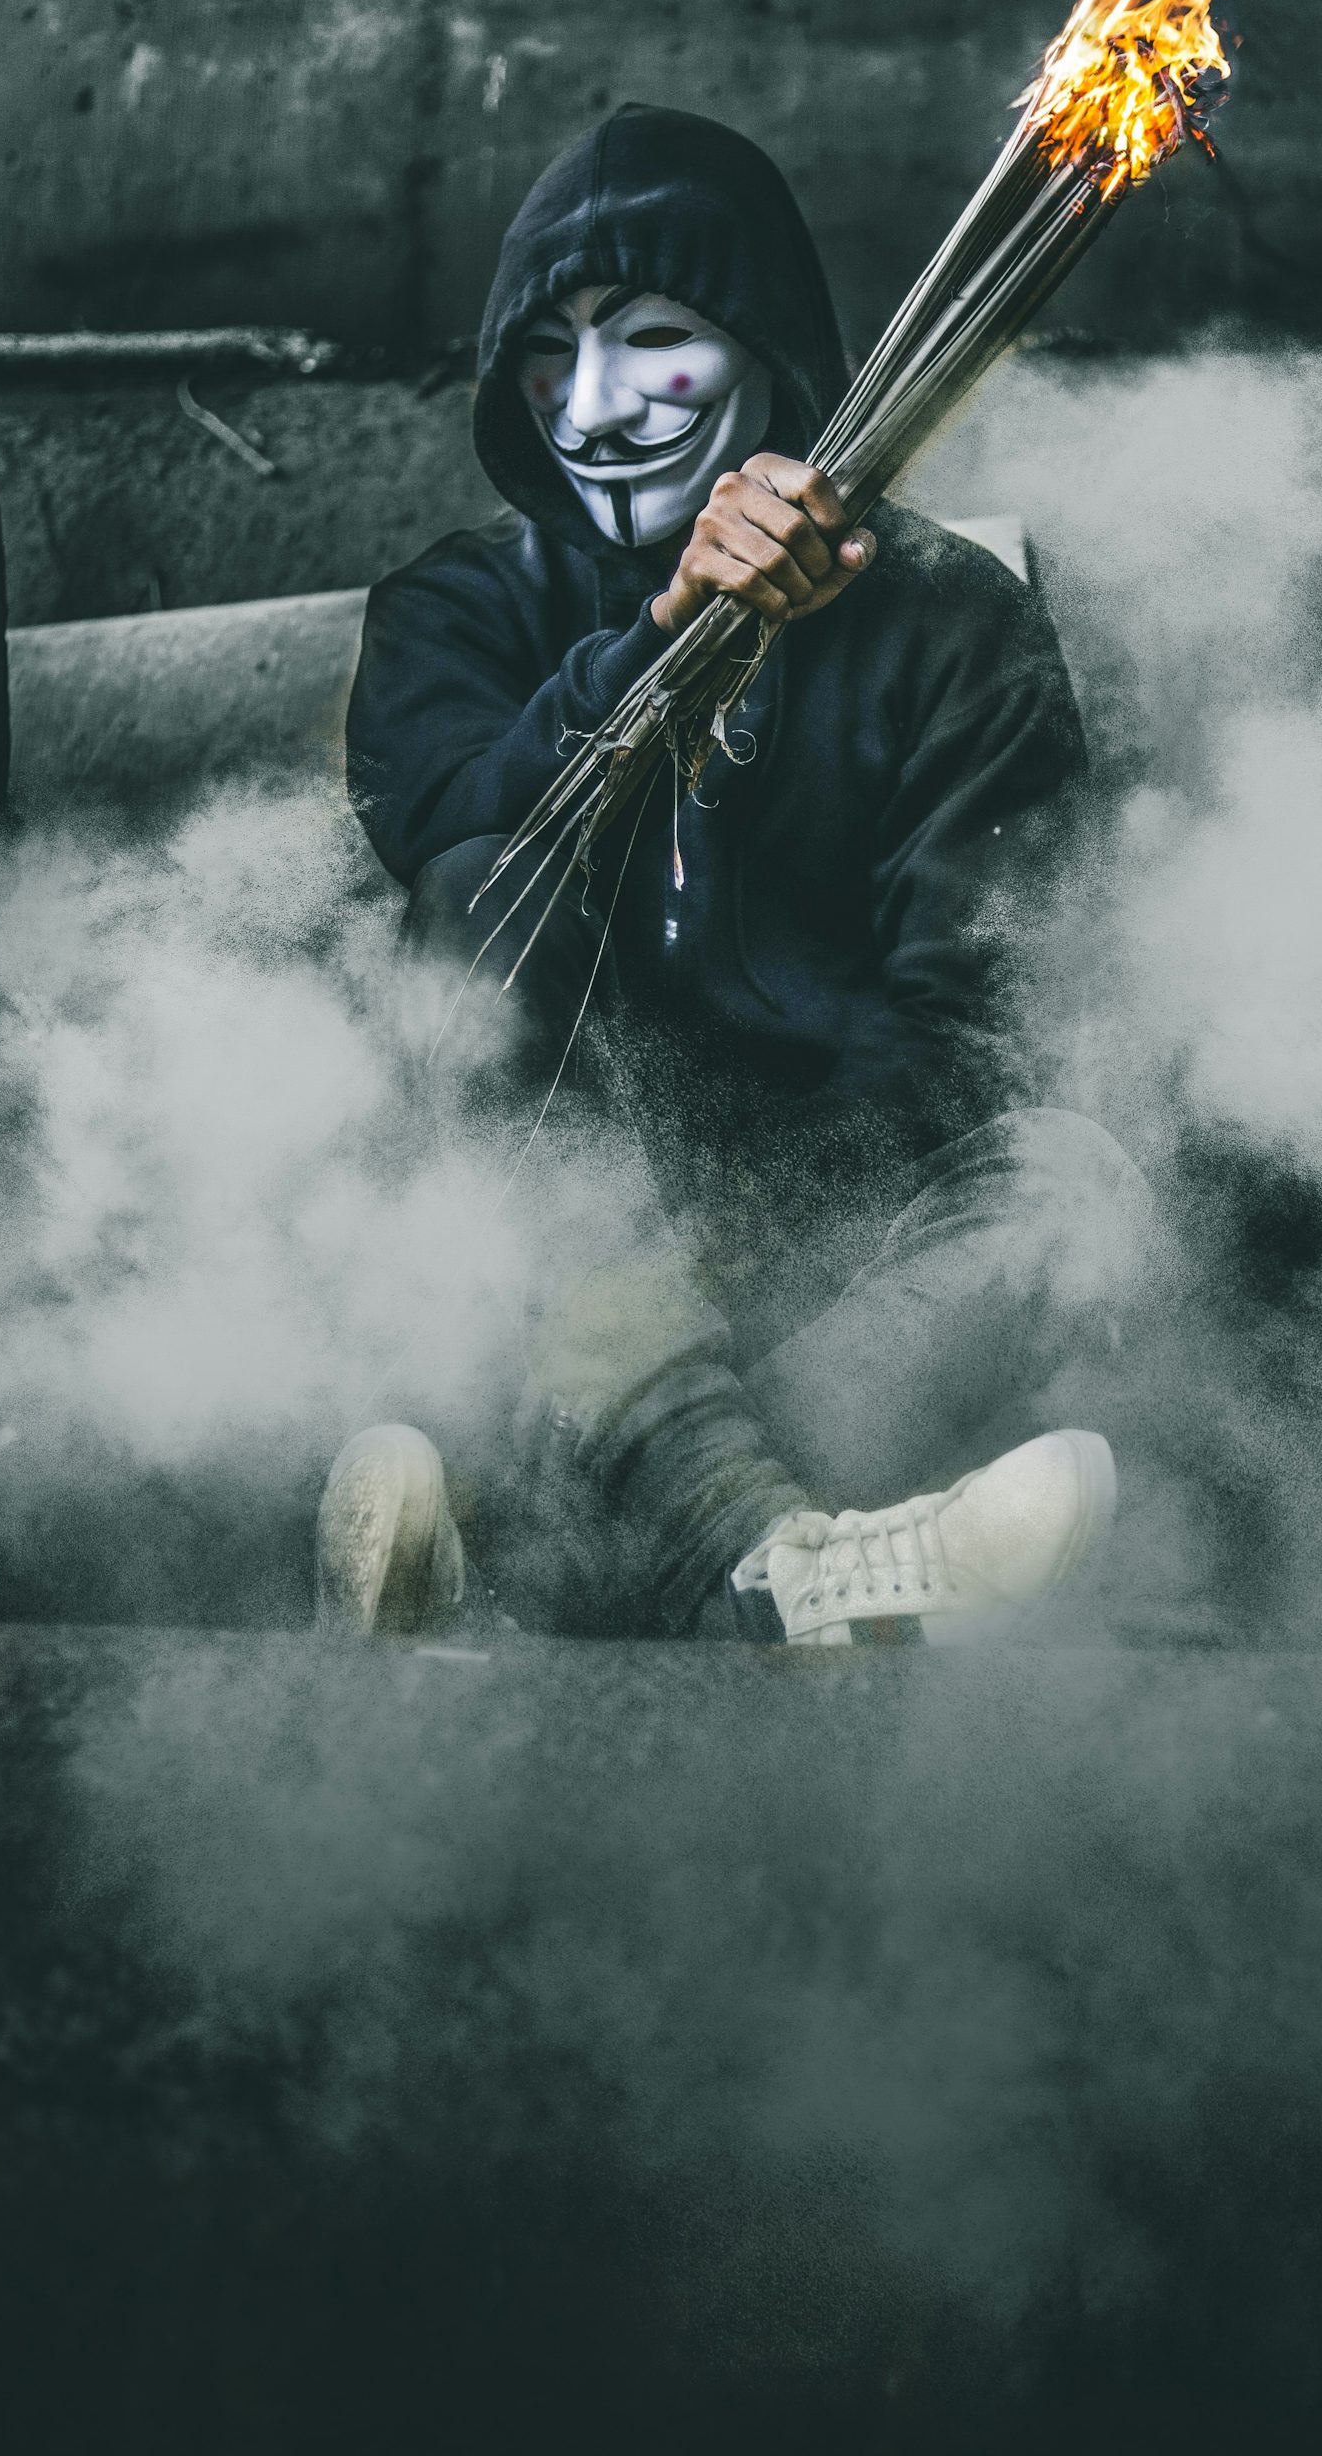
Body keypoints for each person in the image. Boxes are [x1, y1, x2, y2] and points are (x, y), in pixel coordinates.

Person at [322, 104, 1149, 1648]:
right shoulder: (449, 613)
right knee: (476, 901)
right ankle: (782, 1569)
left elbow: (982, 1011)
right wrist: (659, 646)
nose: (595, 404)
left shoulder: (955, 625)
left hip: (834, 1275)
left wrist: (763, 1236)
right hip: (558, 1267)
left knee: (1078, 1192)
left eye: (653, 339)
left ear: (767, 348)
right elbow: (452, 835)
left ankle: (559, 1551)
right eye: (549, 354)